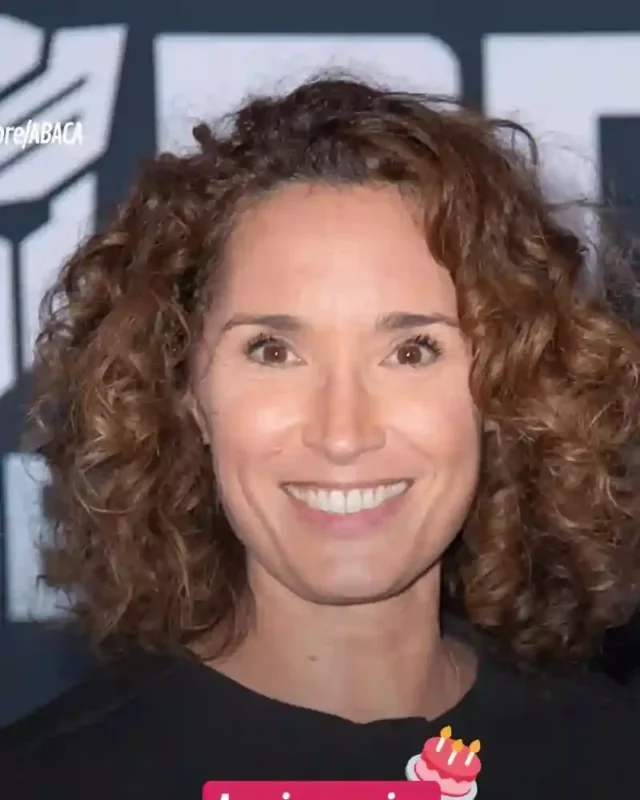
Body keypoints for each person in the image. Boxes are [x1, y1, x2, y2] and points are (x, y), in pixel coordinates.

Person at [2, 75, 640, 799]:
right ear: (186, 391)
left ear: (504, 386)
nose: (343, 433)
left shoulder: (610, 760)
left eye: (412, 351)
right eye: (274, 351)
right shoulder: (46, 780)